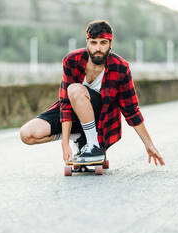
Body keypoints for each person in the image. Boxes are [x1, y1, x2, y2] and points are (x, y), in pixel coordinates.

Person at [20, 20, 165, 166]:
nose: (98, 48)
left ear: (110, 44)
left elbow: (131, 110)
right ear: (87, 42)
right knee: (27, 134)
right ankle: (78, 136)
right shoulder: (72, 60)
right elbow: (65, 104)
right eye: (93, 42)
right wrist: (64, 142)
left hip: (100, 120)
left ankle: (93, 145)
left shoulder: (120, 67)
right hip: (73, 113)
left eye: (103, 43)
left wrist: (149, 144)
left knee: (75, 89)